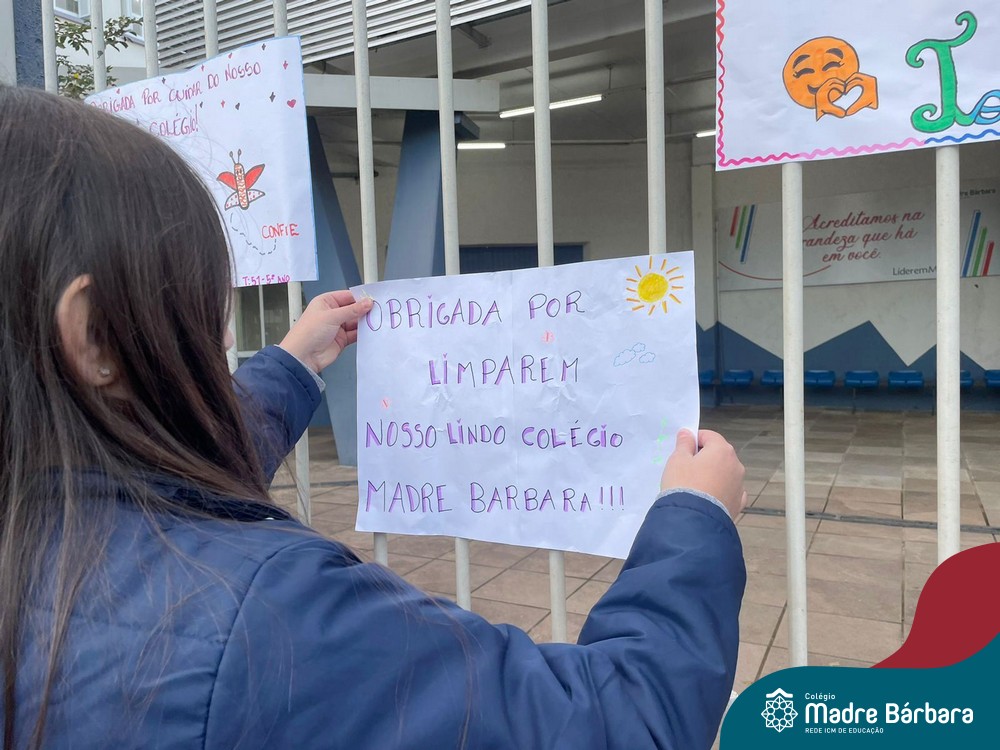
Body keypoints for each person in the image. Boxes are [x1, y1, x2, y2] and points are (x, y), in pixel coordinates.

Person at [0, 84, 747, 750]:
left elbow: (163, 480)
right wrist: (696, 520)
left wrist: (290, 364)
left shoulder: (45, 529)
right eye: (199, 304)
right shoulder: (267, 618)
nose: (224, 337)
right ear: (94, 335)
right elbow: (618, 720)